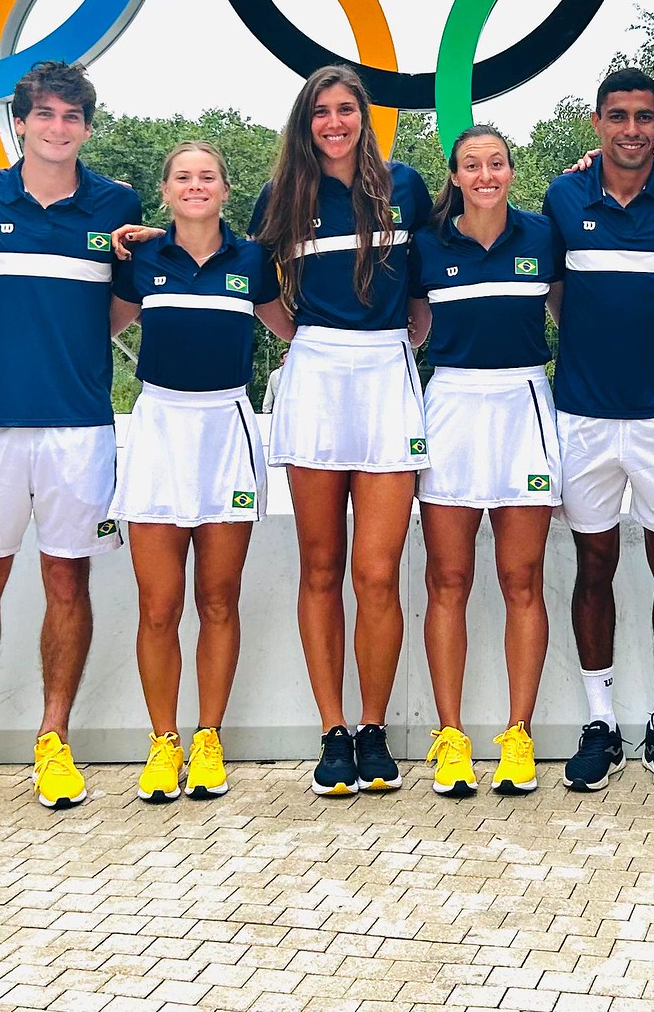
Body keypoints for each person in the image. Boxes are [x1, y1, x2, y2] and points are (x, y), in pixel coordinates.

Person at [0, 60, 141, 811]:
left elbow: (124, 306)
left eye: (71, 117)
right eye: (44, 115)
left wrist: (70, 346)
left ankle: (54, 740)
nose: (57, 128)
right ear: (19, 121)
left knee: (66, 580)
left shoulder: (116, 203)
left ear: (86, 126)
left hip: (80, 425)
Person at [249, 63, 433, 796]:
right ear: (306, 119)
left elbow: (431, 272)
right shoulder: (282, 196)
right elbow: (250, 276)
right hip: (318, 373)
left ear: (364, 117)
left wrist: (411, 326)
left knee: (377, 572)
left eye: (345, 109)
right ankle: (331, 731)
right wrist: (300, 340)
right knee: (321, 568)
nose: (334, 122)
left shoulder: (405, 186)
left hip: (387, 376)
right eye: (321, 110)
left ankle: (371, 727)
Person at [546, 68, 654, 793]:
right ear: (596, 122)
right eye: (617, 116)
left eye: (644, 117)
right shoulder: (562, 195)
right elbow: (552, 289)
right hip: (582, 416)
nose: (630, 130)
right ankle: (599, 723)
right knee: (592, 567)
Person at [109, 141, 292, 802]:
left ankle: (208, 738)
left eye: (206, 176)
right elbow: (92, 325)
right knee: (158, 606)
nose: (195, 185)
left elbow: (298, 331)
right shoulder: (140, 260)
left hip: (227, 430)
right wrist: (106, 246)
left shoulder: (252, 260)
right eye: (182, 177)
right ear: (165, 191)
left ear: (223, 188)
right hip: (159, 429)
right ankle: (163, 743)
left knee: (218, 599)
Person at [406, 125, 560, 797]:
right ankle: (451, 736)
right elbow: (410, 329)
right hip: (452, 409)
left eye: (495, 162)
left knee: (521, 577)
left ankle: (517, 736)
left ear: (510, 170)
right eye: (471, 165)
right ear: (454, 174)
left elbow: (574, 307)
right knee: (448, 579)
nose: (485, 174)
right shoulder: (426, 246)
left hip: (525, 404)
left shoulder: (543, 235)